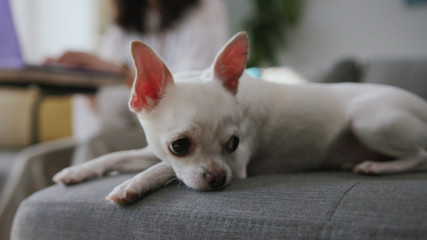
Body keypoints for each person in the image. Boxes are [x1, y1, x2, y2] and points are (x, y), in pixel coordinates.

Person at [47, 0, 229, 144]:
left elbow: (190, 87)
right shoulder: (125, 20)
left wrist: (121, 73)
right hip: (121, 128)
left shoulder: (205, 7)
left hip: (173, 133)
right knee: (33, 163)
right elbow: (108, 117)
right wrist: (89, 85)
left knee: (95, 146)